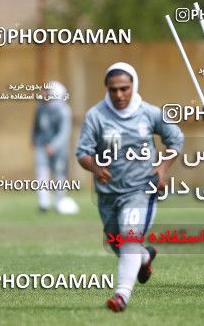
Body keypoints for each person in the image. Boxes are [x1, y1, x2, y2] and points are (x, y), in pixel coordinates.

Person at [76, 62, 184, 312]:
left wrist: (163, 168)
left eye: (124, 88)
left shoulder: (149, 113)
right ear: (107, 88)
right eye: (113, 89)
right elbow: (82, 152)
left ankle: (121, 296)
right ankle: (144, 258)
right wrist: (94, 168)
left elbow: (175, 139)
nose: (119, 94)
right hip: (108, 194)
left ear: (134, 85)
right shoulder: (96, 116)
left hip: (140, 190)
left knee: (128, 236)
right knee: (117, 241)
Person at [32, 80, 78, 214]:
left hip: (58, 150)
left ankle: (59, 202)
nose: (44, 93)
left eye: (48, 91)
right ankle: (44, 204)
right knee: (42, 172)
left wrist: (54, 145)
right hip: (42, 145)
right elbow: (36, 126)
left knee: (59, 175)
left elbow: (64, 132)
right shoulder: (41, 107)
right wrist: (33, 139)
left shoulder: (63, 110)